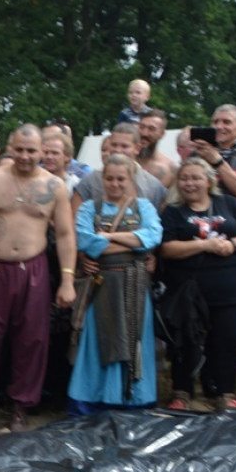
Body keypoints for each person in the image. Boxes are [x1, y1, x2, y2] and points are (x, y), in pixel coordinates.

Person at [0, 124, 77, 438]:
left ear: (42, 152)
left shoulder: (54, 186)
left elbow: (65, 234)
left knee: (32, 341)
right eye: (19, 150)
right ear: (10, 147)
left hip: (33, 270)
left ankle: (21, 409)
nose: (25, 156)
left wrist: (67, 279)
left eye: (32, 151)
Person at [160, 158, 236, 410]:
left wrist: (233, 244)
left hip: (228, 286)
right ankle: (181, 392)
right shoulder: (173, 211)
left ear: (209, 180)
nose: (189, 183)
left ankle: (225, 392)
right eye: (184, 178)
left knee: (226, 340)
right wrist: (204, 245)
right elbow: (166, 248)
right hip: (186, 289)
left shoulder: (229, 203)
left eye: (195, 178)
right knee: (185, 340)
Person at [67, 154, 162, 413]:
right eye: (110, 178)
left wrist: (108, 236)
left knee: (135, 338)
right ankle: (91, 399)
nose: (115, 184)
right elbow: (85, 241)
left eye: (121, 179)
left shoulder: (144, 207)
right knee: (97, 338)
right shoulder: (90, 208)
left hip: (134, 284)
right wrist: (132, 243)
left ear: (130, 179)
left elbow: (152, 237)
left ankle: (132, 399)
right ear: (102, 178)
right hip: (100, 285)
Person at [73, 123, 166, 214]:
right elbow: (75, 219)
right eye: (114, 145)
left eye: (124, 146)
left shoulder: (153, 186)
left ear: (137, 148)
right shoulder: (89, 182)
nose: (118, 150)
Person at [191, 105, 236, 207]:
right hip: (203, 217)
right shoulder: (197, 154)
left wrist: (217, 161)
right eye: (215, 122)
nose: (219, 126)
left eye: (226, 122)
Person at [137, 109, 178, 188]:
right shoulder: (125, 160)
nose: (144, 133)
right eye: (142, 127)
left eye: (151, 129)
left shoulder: (171, 169)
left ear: (162, 134)